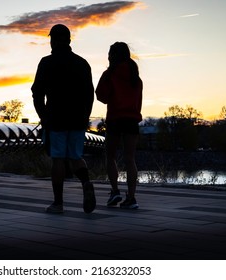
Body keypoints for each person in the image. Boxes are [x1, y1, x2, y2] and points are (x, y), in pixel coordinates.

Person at [31, 24, 96, 214]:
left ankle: (58, 203)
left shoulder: (46, 63)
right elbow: (89, 95)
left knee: (58, 160)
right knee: (76, 157)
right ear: (69, 40)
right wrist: (85, 118)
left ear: (54, 40)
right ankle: (86, 183)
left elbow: (37, 93)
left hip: (55, 120)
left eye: (52, 39)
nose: (51, 43)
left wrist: (43, 116)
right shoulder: (82, 64)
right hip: (77, 120)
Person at [95, 42, 143, 209]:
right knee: (130, 159)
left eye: (110, 53)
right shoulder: (136, 78)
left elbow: (101, 95)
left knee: (110, 156)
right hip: (132, 120)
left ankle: (115, 191)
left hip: (115, 119)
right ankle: (131, 198)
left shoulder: (110, 74)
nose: (108, 57)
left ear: (114, 55)